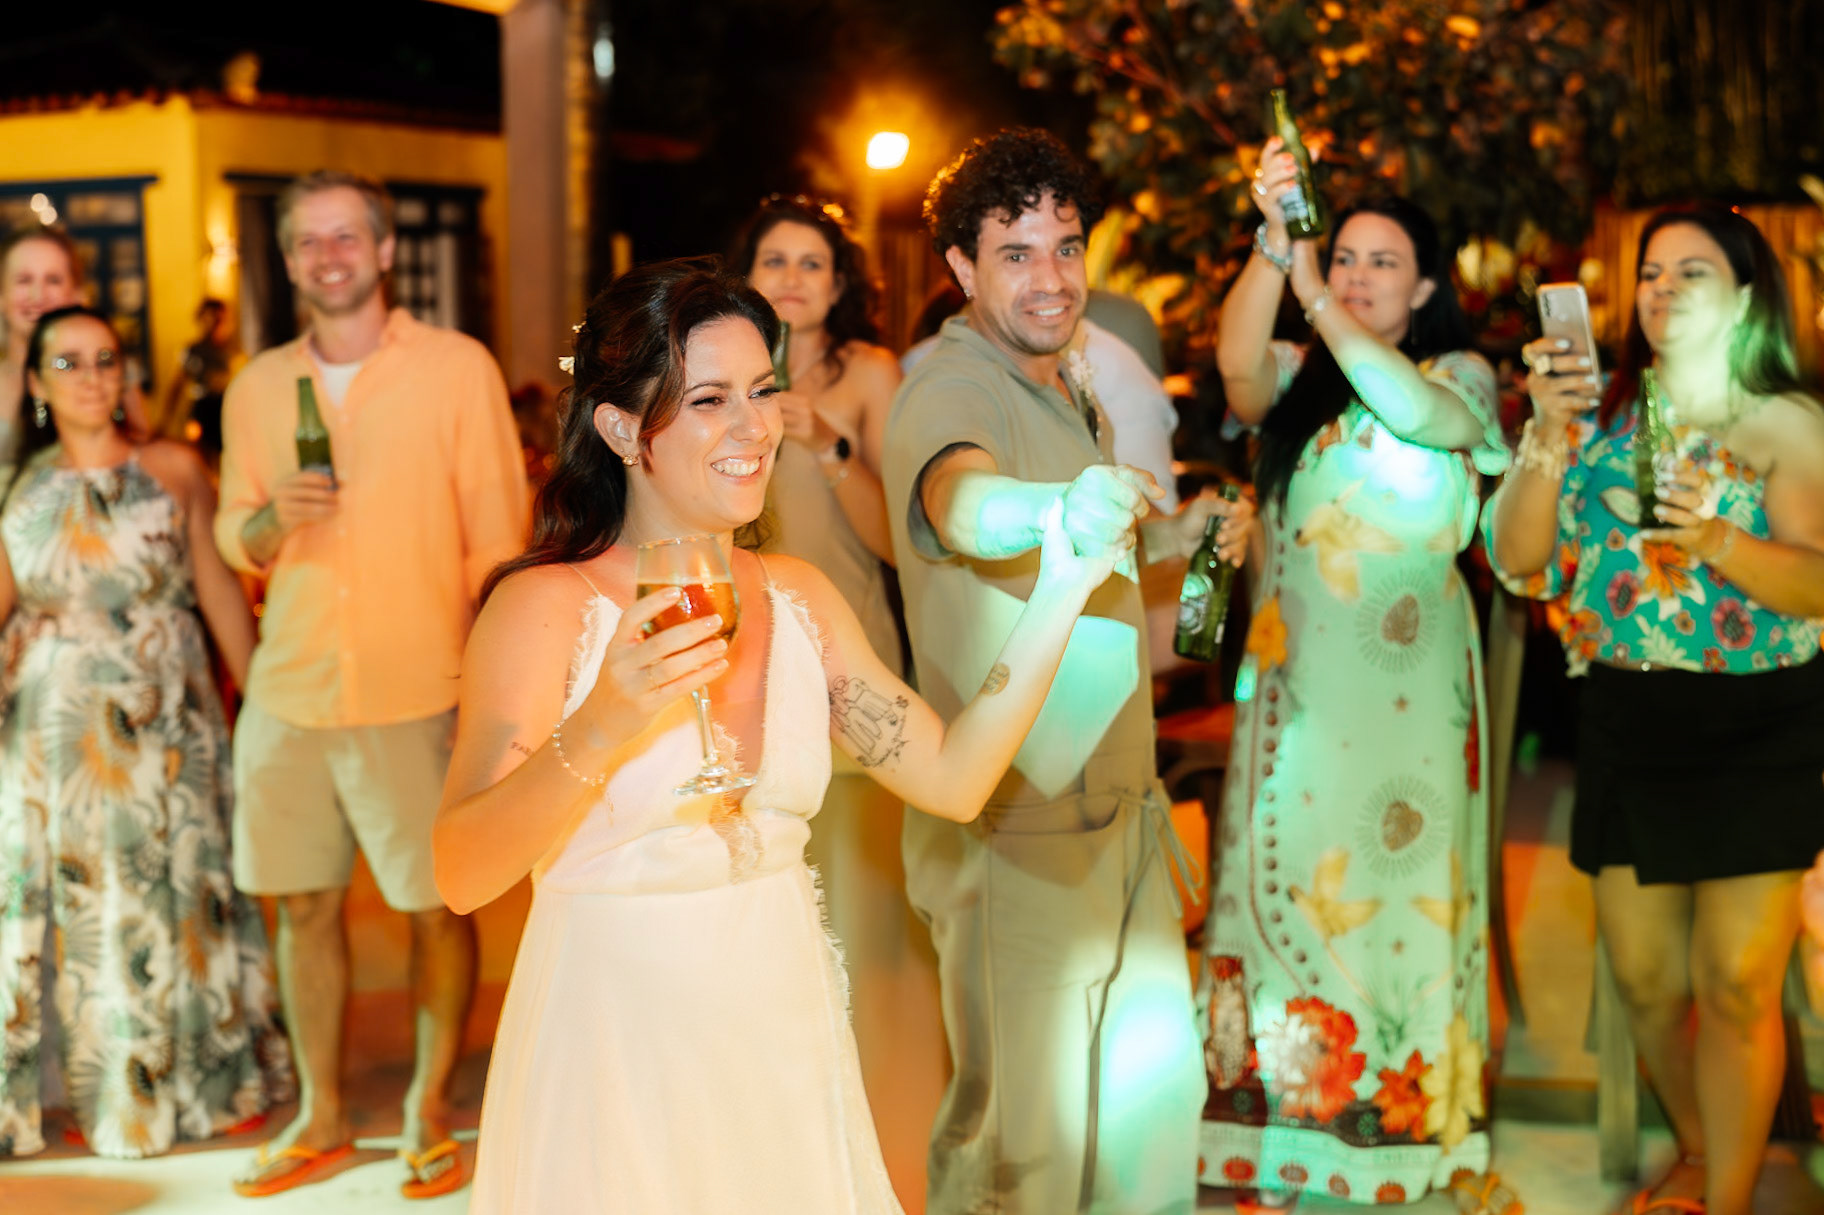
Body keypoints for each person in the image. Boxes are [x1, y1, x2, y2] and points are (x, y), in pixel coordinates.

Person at [435, 257, 1124, 1213]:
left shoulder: (800, 596)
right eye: (709, 400)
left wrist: (1060, 591)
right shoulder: (544, 608)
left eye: (762, 391)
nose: (754, 427)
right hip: (615, 1048)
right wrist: (602, 724)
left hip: (781, 1032)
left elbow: (955, 778)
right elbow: (462, 871)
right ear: (622, 428)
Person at [883, 127, 1246, 1214]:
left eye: (1067, 247)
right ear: (961, 268)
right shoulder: (952, 385)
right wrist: (1051, 509)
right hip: (1017, 829)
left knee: (1143, 1126)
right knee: (1020, 1154)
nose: (1050, 277)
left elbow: (1096, 559)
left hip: (1119, 811)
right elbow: (963, 502)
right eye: (1016, 252)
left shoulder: (1066, 382)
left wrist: (1181, 535)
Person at [1485, 202, 1824, 1215]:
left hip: (1762, 722)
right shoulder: (1597, 417)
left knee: (1736, 981)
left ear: (1747, 300)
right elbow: (1518, 559)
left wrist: (1717, 540)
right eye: (1650, 273)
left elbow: (1817, 584)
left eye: (1693, 272)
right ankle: (1702, 1148)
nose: (1663, 289)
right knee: (1643, 982)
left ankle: (1726, 1195)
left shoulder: (1786, 421)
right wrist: (1547, 428)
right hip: (1628, 715)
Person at [1199, 137, 1509, 1205]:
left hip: (1412, 705)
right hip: (1298, 691)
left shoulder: (1459, 377)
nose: (1360, 274)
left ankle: (1404, 1139)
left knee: (1401, 904)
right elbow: (1236, 365)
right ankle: (1287, 1140)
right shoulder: (1298, 380)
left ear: (1423, 288)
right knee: (1287, 890)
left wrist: (1316, 298)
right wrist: (1272, 245)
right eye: (1346, 257)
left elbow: (1415, 417)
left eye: (1384, 262)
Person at [213, 170, 529, 1199]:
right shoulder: (257, 387)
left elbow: (497, 541)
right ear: (288, 260)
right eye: (309, 241)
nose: (329, 256)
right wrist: (272, 521)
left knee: (436, 907)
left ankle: (428, 1108)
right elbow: (234, 531)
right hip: (291, 689)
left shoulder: (456, 368)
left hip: (418, 687)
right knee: (301, 909)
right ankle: (321, 1113)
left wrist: (496, 686)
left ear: (385, 250)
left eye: (347, 236)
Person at [0, 305, 292, 1159]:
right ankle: (103, 1095)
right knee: (92, 908)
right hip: (59, 735)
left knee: (184, 894)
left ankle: (204, 1084)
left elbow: (217, 588)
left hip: (170, 718)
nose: (91, 377)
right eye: (68, 362)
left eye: (105, 358)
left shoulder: (173, 468)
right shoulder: (17, 488)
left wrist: (262, 702)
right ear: (36, 382)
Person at [735, 194, 940, 1201]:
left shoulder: (870, 374)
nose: (791, 279)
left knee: (861, 921)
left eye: (811, 262)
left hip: (842, 665)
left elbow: (896, 538)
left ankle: (889, 1140)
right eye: (773, 260)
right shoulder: (723, 372)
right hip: (741, 664)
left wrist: (826, 444)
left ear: (841, 280)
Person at [0, 228, 85, 489]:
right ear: (1, 296)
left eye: (54, 280)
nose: (38, 295)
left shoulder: (106, 376)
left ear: (76, 294)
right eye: (24, 280)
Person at [157, 297, 237, 461]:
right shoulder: (192, 351)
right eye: (208, 319)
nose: (213, 324)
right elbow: (177, 386)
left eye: (218, 319)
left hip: (226, 409)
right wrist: (164, 421)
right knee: (200, 456)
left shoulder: (232, 352)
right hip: (202, 409)